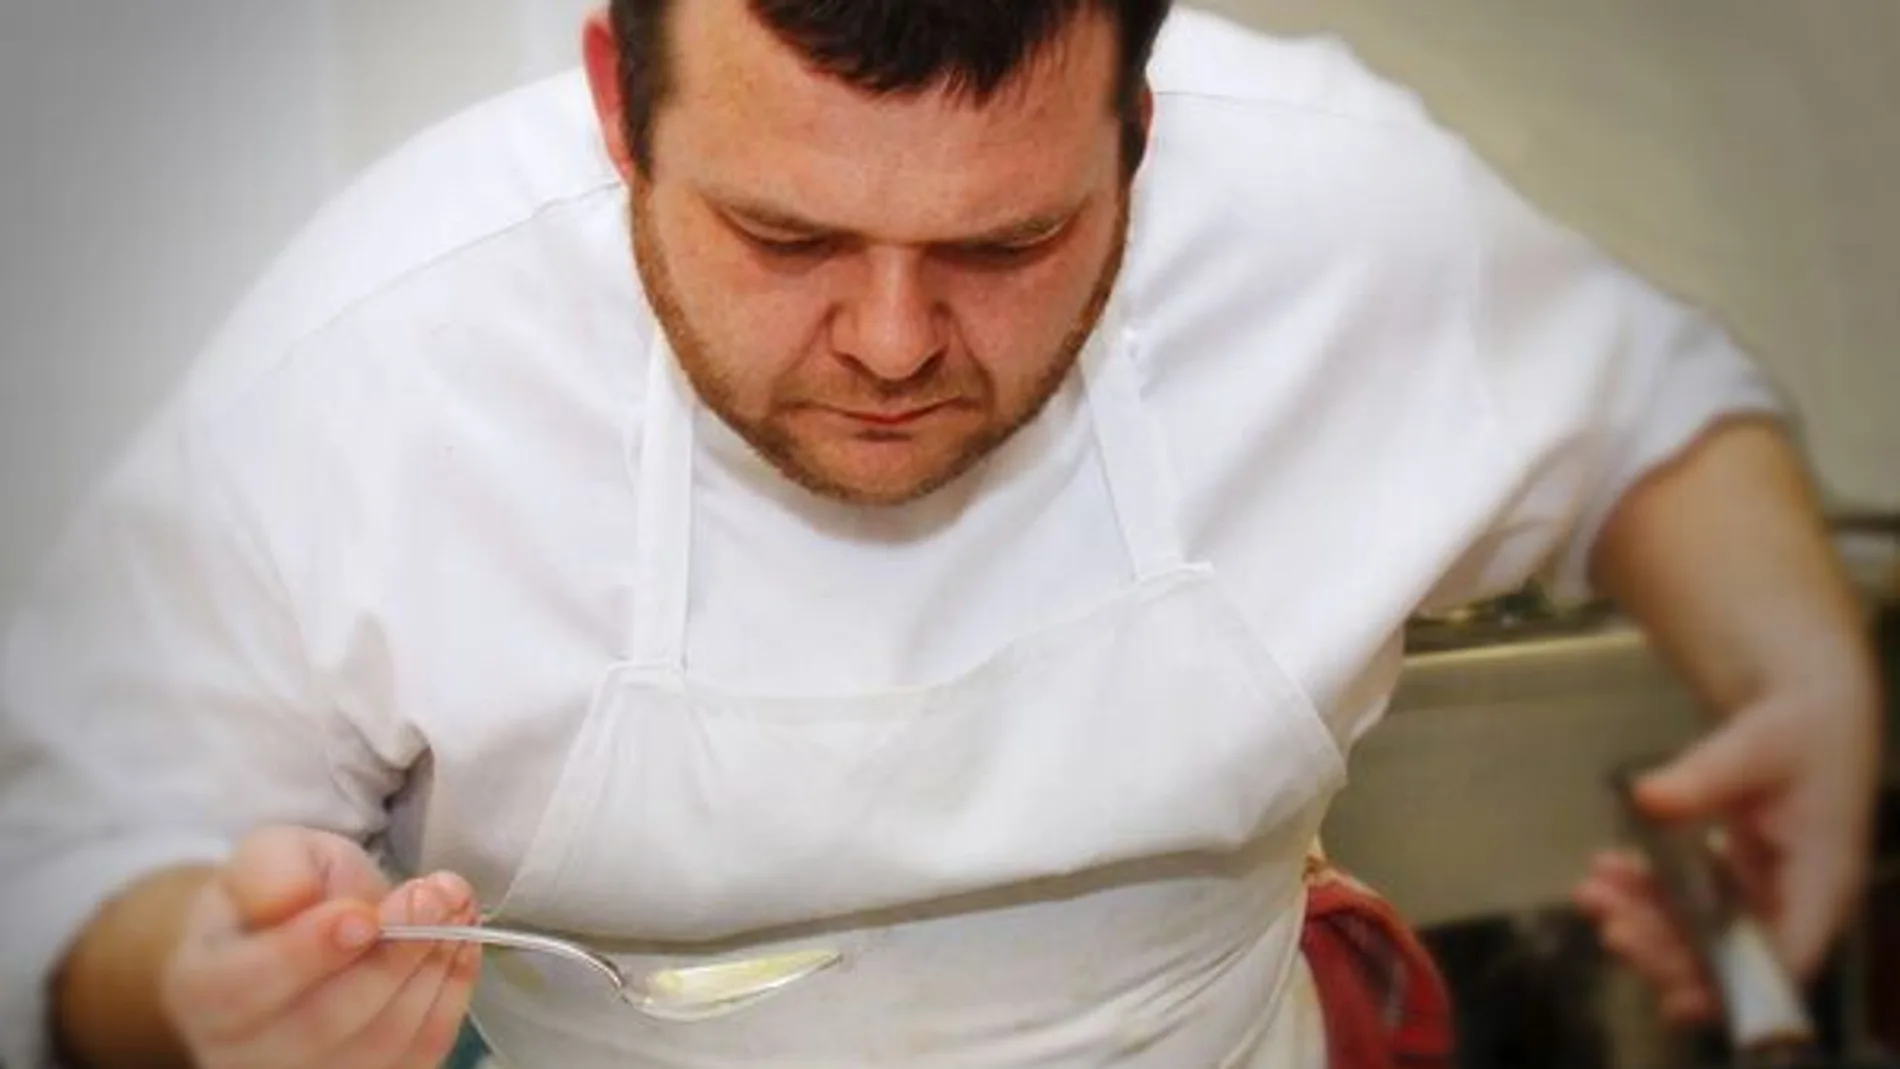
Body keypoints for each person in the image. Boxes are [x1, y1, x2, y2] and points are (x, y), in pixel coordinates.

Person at [0, 0, 1882, 1066]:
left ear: (1139, 124)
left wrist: (1795, 670)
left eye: (1007, 245)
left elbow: (1643, 405)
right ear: (611, 101)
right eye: (786, 239)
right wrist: (200, 990)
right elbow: (78, 876)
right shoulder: (372, 366)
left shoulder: (1333, 202)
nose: (896, 347)